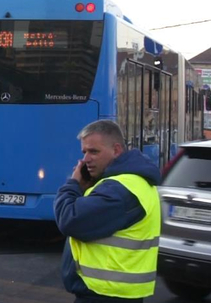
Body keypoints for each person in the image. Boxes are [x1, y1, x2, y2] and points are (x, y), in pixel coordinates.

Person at [54, 120, 161, 303]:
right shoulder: (125, 183)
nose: (86, 159)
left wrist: (72, 185)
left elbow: (70, 219)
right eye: (84, 152)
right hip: (113, 293)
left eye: (94, 151)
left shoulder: (119, 190)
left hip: (106, 294)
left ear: (116, 150)